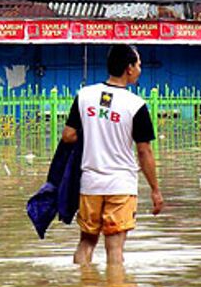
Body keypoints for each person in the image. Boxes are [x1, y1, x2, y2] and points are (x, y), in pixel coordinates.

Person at [62, 44, 164, 264]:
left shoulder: (85, 95)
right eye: (138, 64)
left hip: (90, 184)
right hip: (121, 185)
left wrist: (92, 130)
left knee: (86, 242)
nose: (140, 69)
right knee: (115, 249)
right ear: (129, 68)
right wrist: (155, 190)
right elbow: (144, 151)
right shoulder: (136, 105)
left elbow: (68, 135)